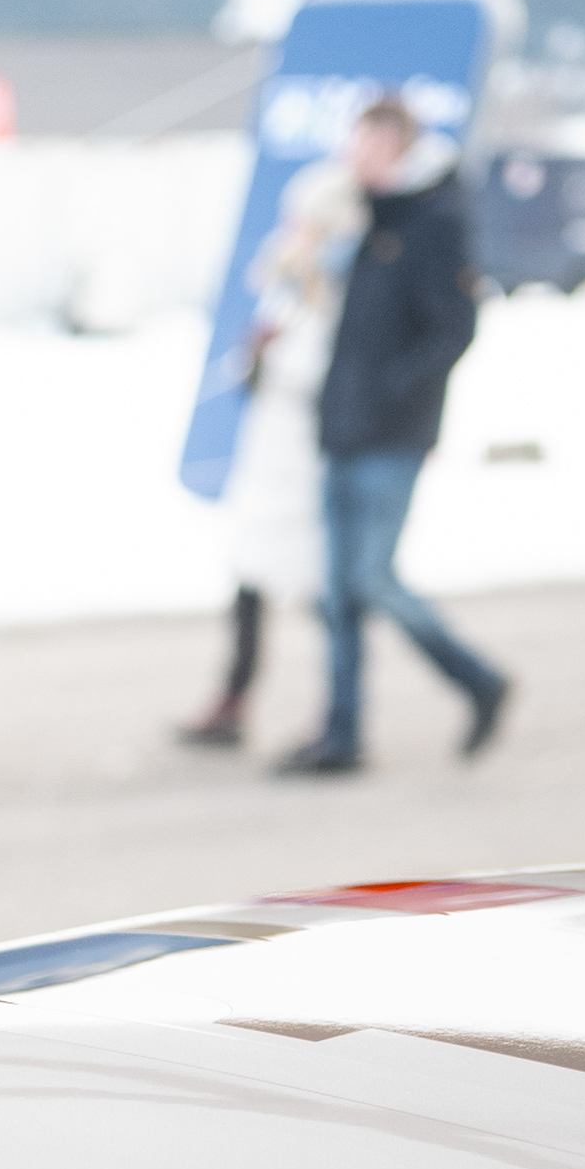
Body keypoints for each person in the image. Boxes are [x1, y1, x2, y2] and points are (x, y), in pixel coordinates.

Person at [279, 94, 511, 775]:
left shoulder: (432, 221)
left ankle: (476, 677)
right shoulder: (365, 220)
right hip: (344, 422)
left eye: (369, 147)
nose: (356, 160)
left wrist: (394, 393)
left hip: (389, 431)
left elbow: (454, 327)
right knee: (338, 594)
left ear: (398, 149)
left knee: (371, 580)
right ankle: (342, 730)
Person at [184, 151, 355, 746]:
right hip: (270, 458)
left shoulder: (338, 294)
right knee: (252, 582)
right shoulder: (287, 288)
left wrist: (276, 354)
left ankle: (338, 712)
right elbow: (250, 369)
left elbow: (320, 373)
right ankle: (235, 699)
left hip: (307, 461)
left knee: (323, 596)